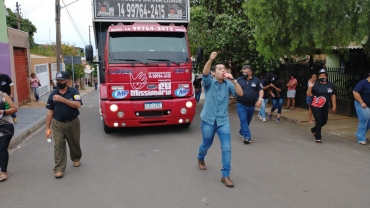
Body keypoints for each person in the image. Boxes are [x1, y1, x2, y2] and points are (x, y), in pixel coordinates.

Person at [197, 52, 243, 187]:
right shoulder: (209, 82)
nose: (223, 70)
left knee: (227, 148)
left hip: (223, 121)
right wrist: (211, 59)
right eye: (219, 69)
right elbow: (204, 72)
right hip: (208, 120)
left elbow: (240, 93)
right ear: (214, 73)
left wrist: (234, 80)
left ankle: (225, 175)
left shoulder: (228, 84)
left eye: (224, 69)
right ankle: (200, 158)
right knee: (206, 144)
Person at [45, 71, 83, 178]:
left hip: (72, 122)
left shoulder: (73, 91)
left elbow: (78, 104)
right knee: (58, 145)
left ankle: (76, 158)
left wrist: (63, 100)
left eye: (61, 80)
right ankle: (59, 168)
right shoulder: (53, 94)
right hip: (57, 124)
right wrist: (47, 127)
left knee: (74, 142)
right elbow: (50, 111)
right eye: (57, 80)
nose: (59, 82)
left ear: (67, 81)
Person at [307, 69, 336, 143]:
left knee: (324, 121)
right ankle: (318, 137)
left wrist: (334, 105)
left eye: (324, 75)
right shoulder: (315, 84)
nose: (322, 77)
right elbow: (308, 94)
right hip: (315, 105)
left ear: (327, 76)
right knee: (319, 120)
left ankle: (314, 129)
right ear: (318, 77)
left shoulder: (330, 85)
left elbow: (333, 95)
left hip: (325, 106)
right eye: (320, 75)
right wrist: (310, 87)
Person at [236, 65, 263, 144]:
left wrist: (260, 100)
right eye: (243, 72)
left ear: (250, 72)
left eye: (246, 72)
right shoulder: (239, 80)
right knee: (243, 119)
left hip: (251, 105)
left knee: (247, 121)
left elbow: (261, 90)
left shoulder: (256, 80)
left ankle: (242, 131)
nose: (244, 74)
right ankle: (247, 137)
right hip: (241, 104)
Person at [0, 91, 18, 182]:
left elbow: (15, 108)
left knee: (2, 147)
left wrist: (3, 111)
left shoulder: (3, 96)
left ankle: (3, 172)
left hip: (5, 126)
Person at [352, 73, 370, 145]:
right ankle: (361, 139)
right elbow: (355, 92)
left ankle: (359, 133)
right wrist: (361, 102)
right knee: (364, 121)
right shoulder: (363, 83)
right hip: (362, 104)